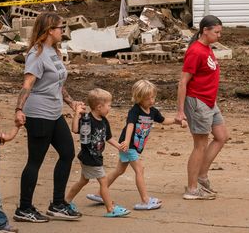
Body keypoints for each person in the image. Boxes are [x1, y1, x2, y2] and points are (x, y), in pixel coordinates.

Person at [14, 11, 85, 223]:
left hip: (54, 112)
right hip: (38, 113)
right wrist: (19, 110)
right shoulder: (36, 54)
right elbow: (27, 85)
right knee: (35, 161)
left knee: (67, 153)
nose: (63, 31)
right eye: (60, 28)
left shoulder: (53, 51)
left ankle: (57, 204)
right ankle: (24, 208)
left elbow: (58, 84)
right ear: (49, 30)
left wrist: (71, 102)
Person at [88, 79, 165, 211]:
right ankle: (145, 200)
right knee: (139, 170)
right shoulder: (135, 111)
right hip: (128, 145)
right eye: (148, 99)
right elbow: (130, 125)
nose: (151, 101)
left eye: (153, 97)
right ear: (139, 98)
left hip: (130, 145)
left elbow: (163, 120)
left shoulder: (152, 111)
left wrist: (177, 121)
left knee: (119, 170)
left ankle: (99, 193)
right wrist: (127, 142)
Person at [174, 15, 226, 201]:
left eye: (220, 32)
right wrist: (180, 111)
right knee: (200, 145)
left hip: (210, 102)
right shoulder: (196, 51)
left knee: (221, 137)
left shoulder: (207, 48)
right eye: (217, 32)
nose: (219, 35)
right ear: (205, 30)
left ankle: (201, 178)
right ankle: (192, 188)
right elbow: (182, 82)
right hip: (198, 102)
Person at [65, 88, 130, 218]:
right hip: (90, 157)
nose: (110, 108)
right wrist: (77, 115)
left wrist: (119, 146)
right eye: (109, 105)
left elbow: (108, 137)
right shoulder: (87, 119)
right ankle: (110, 209)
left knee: (83, 181)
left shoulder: (104, 120)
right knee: (104, 181)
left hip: (96, 156)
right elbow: (75, 129)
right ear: (99, 107)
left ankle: (66, 201)